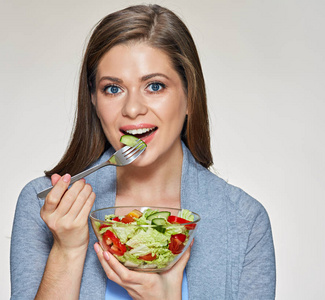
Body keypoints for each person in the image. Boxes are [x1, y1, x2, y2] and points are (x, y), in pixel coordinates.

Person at [10, 4, 276, 300]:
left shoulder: (244, 221)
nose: (133, 109)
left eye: (155, 86)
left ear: (190, 97)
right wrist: (67, 250)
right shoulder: (46, 209)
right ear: (94, 101)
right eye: (113, 89)